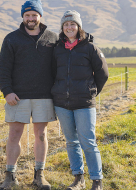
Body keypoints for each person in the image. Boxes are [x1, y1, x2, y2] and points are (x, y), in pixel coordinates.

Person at [0, 0, 58, 190]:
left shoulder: (53, 38)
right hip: (18, 97)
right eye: (27, 15)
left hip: (44, 96)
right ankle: (10, 176)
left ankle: (39, 175)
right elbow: (3, 68)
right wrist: (7, 91)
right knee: (14, 134)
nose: (31, 18)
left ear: (40, 15)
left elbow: (59, 67)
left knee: (41, 135)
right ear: (23, 16)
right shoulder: (11, 39)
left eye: (34, 15)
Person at [51, 10, 109, 190]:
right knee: (71, 142)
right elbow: (51, 73)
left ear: (78, 27)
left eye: (72, 24)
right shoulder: (57, 49)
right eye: (66, 24)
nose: (69, 27)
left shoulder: (90, 48)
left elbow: (103, 74)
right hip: (63, 104)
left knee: (88, 142)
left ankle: (97, 181)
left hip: (84, 104)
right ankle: (78, 179)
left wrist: (91, 92)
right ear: (62, 27)